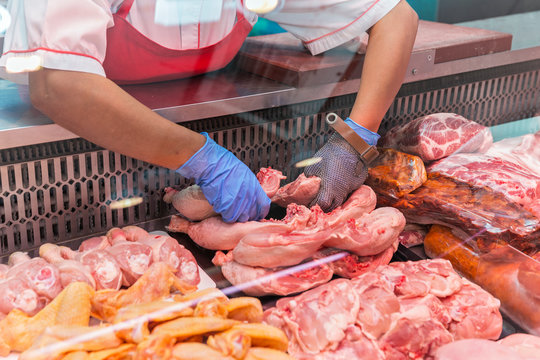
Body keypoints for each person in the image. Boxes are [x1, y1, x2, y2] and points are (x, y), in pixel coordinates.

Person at [0, 0, 418, 222]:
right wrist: (206, 161)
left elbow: (395, 17)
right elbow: (59, 86)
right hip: (68, 148)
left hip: (204, 134)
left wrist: (356, 139)